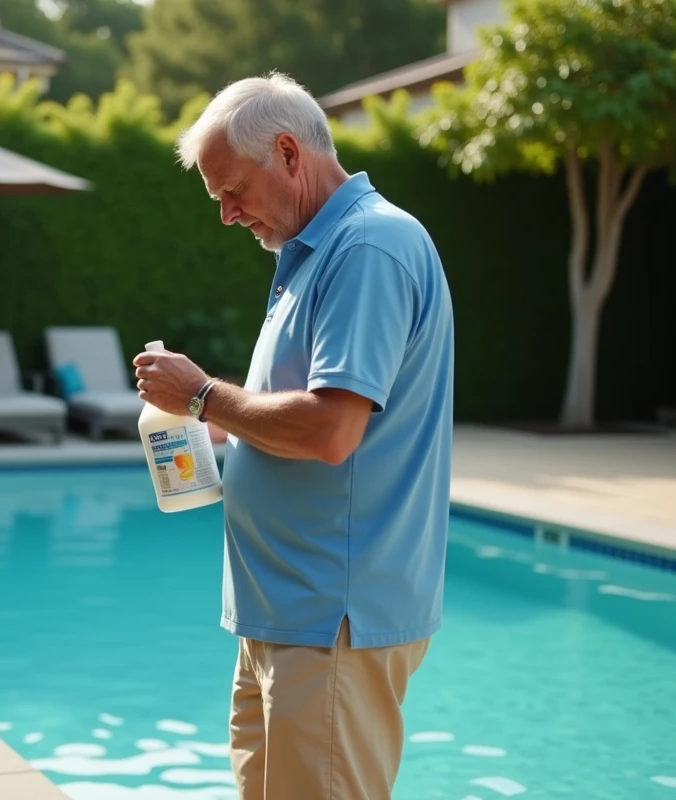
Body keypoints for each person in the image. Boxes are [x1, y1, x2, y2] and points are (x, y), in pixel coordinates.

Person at [133, 72, 454, 800]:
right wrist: (220, 427)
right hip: (287, 616)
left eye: (232, 190)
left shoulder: (367, 247)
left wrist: (204, 395)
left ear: (287, 152)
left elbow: (332, 429)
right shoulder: (314, 252)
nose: (226, 214)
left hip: (331, 619)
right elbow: (304, 415)